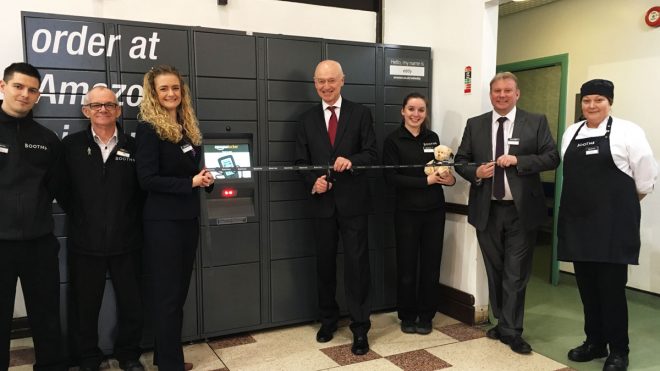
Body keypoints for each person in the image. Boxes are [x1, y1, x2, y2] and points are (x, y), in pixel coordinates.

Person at [454, 71, 559, 354]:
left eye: (507, 90)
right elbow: (459, 161)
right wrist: (474, 171)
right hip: (487, 210)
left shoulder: (535, 122)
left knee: (516, 273)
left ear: (517, 94)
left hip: (520, 212)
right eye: (496, 91)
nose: (502, 95)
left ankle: (512, 330)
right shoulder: (475, 125)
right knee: (496, 270)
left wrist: (519, 160)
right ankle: (502, 322)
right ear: (491, 94)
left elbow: (552, 157)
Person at [558, 79, 657, 371]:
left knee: (612, 291)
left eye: (599, 100)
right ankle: (594, 342)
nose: (592, 106)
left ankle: (619, 351)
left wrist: (620, 206)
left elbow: (645, 178)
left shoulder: (628, 132)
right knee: (587, 289)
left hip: (613, 224)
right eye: (587, 100)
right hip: (578, 222)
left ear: (610, 102)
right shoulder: (571, 132)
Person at [294, 60, 378, 356]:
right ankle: (328, 321)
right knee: (325, 266)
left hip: (353, 204)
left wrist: (352, 161)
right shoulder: (305, 120)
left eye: (331, 80)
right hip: (322, 205)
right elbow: (300, 163)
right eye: (320, 81)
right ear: (314, 83)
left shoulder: (360, 113)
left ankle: (359, 328)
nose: (326, 86)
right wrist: (312, 182)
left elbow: (371, 153)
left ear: (342, 80)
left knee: (357, 268)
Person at [59, 86, 144, 371]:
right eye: (96, 106)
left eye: (109, 105)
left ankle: (129, 355)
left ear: (119, 110)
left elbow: (142, 192)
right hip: (86, 242)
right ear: (86, 111)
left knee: (132, 303)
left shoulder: (133, 147)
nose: (103, 110)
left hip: (128, 241)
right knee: (84, 306)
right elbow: (62, 189)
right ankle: (87, 358)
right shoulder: (70, 145)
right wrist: (85, 216)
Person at [136, 65, 214, 371]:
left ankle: (165, 356)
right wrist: (189, 184)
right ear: (154, 94)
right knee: (168, 295)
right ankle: (170, 364)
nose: (171, 94)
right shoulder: (147, 129)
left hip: (187, 219)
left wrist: (205, 179)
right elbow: (147, 179)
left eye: (175, 88)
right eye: (164, 89)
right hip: (162, 224)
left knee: (178, 292)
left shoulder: (187, 126)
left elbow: (192, 171)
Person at [0, 62, 67, 370]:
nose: (25, 95)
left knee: (47, 317)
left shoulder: (47, 138)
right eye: (18, 87)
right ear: (3, 87)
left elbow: (57, 188)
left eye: (32, 90)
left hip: (39, 243)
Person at [382, 92, 455, 335]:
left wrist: (447, 178)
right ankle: (407, 314)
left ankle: (426, 315)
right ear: (402, 111)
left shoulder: (432, 138)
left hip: (434, 211)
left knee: (431, 265)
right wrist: (427, 181)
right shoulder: (393, 140)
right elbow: (390, 178)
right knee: (407, 265)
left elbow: (441, 167)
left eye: (421, 110)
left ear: (426, 113)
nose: (416, 114)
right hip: (406, 213)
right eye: (411, 109)